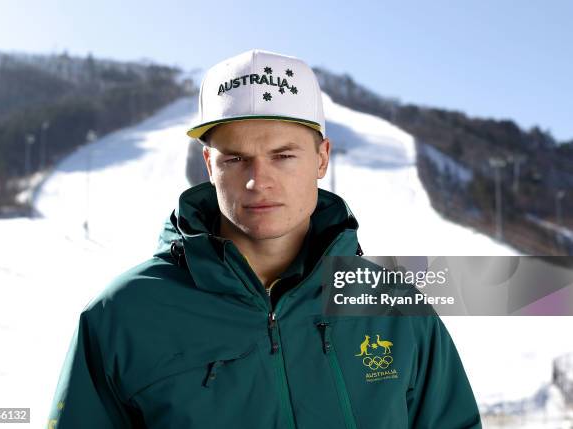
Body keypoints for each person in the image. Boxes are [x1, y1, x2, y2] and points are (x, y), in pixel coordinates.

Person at [47, 49, 482, 428]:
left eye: (283, 156)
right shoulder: (124, 314)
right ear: (208, 164)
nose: (259, 182)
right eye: (236, 159)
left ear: (321, 157)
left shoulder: (394, 308)